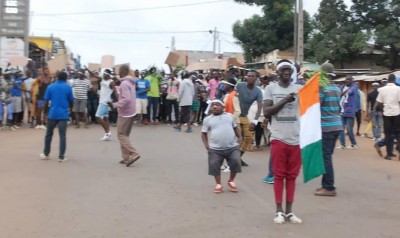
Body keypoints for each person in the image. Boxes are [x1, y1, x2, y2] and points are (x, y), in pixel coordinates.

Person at [264, 61, 303, 224]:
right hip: (278, 137)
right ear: (278, 72)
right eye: (283, 69)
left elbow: (312, 108)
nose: (286, 72)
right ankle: (278, 211)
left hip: (296, 138)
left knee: (292, 176)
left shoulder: (300, 89)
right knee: (279, 175)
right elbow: (267, 112)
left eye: (289, 69)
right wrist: (284, 101)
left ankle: (290, 211)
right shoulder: (270, 89)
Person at [201, 99, 243, 193]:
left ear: (223, 107)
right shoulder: (207, 119)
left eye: (217, 105)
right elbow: (203, 133)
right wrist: (207, 145)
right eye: (213, 105)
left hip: (232, 147)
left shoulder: (229, 116)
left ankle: (231, 181)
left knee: (236, 162)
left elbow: (235, 127)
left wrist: (240, 137)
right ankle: (218, 184)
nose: (215, 107)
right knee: (215, 166)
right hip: (215, 149)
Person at [315, 63, 343, 197]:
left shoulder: (322, 88)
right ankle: (325, 184)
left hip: (326, 127)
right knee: (327, 156)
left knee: (326, 157)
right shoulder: (336, 88)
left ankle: (329, 187)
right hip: (337, 125)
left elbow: (317, 107)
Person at [108, 64, 141, 166]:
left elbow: (126, 99)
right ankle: (126, 158)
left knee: (121, 135)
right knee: (124, 135)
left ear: (122, 71)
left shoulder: (124, 84)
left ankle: (133, 153)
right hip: (131, 111)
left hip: (125, 112)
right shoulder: (130, 82)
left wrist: (114, 105)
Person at [40, 71, 74, 162]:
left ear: (57, 78)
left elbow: (46, 101)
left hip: (52, 113)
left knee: (48, 134)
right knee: (62, 135)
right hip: (63, 114)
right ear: (66, 78)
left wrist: (44, 113)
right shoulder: (68, 88)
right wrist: (70, 110)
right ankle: (61, 156)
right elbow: (71, 101)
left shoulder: (50, 87)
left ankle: (46, 154)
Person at [236, 71, 263, 166]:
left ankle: (238, 157)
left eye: (253, 76)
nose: (250, 78)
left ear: (256, 78)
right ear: (246, 77)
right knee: (238, 137)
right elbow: (231, 96)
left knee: (249, 137)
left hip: (245, 116)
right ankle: (232, 159)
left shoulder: (258, 91)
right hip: (235, 115)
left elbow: (260, 107)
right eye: (249, 76)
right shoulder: (239, 86)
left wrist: (254, 121)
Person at [375, 74, 400, 160]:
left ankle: (389, 154)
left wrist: (382, 109)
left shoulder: (382, 90)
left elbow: (379, 103)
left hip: (386, 114)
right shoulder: (398, 89)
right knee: (398, 134)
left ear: (388, 80)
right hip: (397, 113)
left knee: (388, 134)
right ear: (394, 80)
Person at [95, 69, 116, 141]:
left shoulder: (111, 82)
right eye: (103, 74)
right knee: (105, 118)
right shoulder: (102, 80)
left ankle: (108, 132)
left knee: (97, 117)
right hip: (102, 101)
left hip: (105, 102)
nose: (103, 75)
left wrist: (119, 101)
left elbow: (115, 92)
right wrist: (87, 69)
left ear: (108, 74)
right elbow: (94, 75)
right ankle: (107, 135)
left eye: (104, 74)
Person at [338, 76, 358, 149]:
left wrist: (342, 93)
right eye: (346, 79)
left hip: (350, 111)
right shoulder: (342, 86)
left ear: (352, 81)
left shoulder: (354, 87)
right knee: (341, 129)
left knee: (349, 130)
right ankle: (342, 144)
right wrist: (341, 92)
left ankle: (354, 143)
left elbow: (349, 92)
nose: (347, 81)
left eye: (349, 79)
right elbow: (338, 92)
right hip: (342, 111)